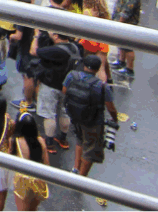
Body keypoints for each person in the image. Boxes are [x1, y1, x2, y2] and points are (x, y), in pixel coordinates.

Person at [62, 54, 118, 203]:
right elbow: (110, 107)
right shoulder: (101, 86)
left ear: (84, 65)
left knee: (79, 140)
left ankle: (75, 168)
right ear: (98, 68)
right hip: (93, 121)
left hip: (75, 115)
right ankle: (81, 180)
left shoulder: (72, 76)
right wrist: (115, 118)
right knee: (91, 149)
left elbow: (64, 91)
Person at [11, 112, 49, 211]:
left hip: (22, 181)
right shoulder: (40, 141)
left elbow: (9, 160)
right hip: (38, 181)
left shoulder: (16, 141)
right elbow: (46, 164)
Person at [111, 0, 142, 79]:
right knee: (122, 44)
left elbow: (126, 12)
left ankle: (129, 69)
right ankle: (121, 61)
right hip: (122, 23)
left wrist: (119, 23)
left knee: (128, 46)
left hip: (127, 24)